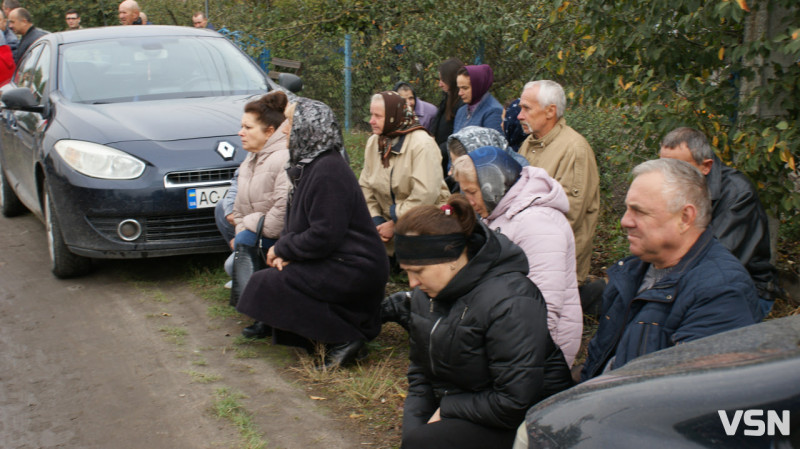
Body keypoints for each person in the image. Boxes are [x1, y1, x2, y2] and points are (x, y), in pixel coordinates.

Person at [395, 195, 573, 449]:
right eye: (406, 271)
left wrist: (446, 410)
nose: (412, 284)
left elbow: (514, 402)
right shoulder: (427, 294)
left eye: (419, 271)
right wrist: (412, 434)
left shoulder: (511, 299)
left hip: (532, 420)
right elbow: (421, 374)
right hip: (470, 405)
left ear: (452, 256)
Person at [236, 98, 389, 369]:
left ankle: (345, 338)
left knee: (270, 284)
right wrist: (286, 250)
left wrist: (284, 250)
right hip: (338, 260)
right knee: (267, 280)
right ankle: (324, 337)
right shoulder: (310, 165)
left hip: (355, 267)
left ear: (309, 128)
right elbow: (299, 225)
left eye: (291, 123)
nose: (285, 130)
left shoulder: (328, 169)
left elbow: (325, 234)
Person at [580, 158, 759, 382]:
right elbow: (600, 357)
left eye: (639, 211)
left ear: (685, 218)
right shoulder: (631, 272)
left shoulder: (722, 291)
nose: (625, 221)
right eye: (627, 209)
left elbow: (689, 397)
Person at [451, 147, 582, 367]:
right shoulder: (500, 214)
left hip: (539, 356)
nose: (469, 200)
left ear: (492, 184)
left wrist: (524, 361)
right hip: (511, 341)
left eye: (472, 192)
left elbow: (544, 304)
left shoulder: (537, 224)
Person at [659, 127, 779, 321]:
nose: (668, 175)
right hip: (687, 282)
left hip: (743, 289)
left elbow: (716, 259)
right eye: (663, 166)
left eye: (679, 168)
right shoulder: (675, 186)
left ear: (706, 166)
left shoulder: (738, 193)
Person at [517, 80, 600, 290]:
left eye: (526, 108)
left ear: (550, 111)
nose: (519, 115)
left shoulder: (574, 149)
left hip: (557, 270)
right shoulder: (529, 143)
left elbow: (569, 215)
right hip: (530, 259)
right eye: (520, 108)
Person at [359, 91, 449, 256]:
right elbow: (365, 186)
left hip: (422, 220)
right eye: (371, 114)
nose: (371, 121)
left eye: (378, 116)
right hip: (385, 223)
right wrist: (376, 219)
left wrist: (395, 224)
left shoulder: (422, 144)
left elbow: (425, 195)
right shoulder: (375, 142)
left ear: (394, 116)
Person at [228, 91, 290, 308]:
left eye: (248, 128)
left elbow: (279, 218)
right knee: (236, 261)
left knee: (241, 251)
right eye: (241, 126)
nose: (240, 133)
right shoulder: (250, 159)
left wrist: (247, 229)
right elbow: (238, 209)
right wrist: (244, 229)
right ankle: (256, 306)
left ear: (270, 131)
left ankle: (261, 310)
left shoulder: (284, 158)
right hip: (257, 234)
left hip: (279, 238)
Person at [429, 58, 464, 178]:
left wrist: (436, 151)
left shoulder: (462, 105)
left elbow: (457, 135)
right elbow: (437, 119)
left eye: (443, 79)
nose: (440, 83)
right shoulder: (448, 97)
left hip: (447, 158)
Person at [452, 64, 503, 134]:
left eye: (465, 88)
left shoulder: (493, 112)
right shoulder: (461, 111)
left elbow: (494, 143)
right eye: (459, 88)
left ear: (478, 86)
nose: (460, 93)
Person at [215, 167, 239, 288]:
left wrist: (242, 232)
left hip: (262, 226)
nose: (242, 146)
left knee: (230, 267)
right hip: (247, 222)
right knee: (222, 207)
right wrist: (230, 211)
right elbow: (234, 188)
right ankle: (241, 254)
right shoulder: (249, 159)